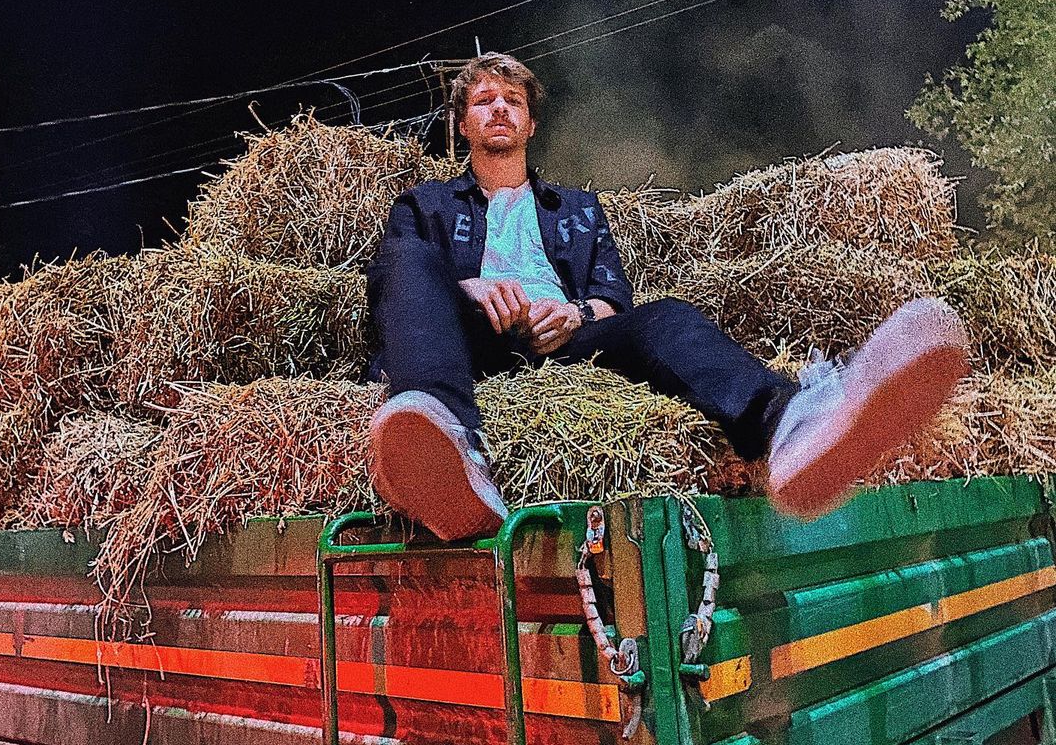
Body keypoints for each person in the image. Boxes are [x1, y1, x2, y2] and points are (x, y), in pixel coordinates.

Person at [365, 52, 968, 540]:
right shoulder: (426, 204)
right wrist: (469, 288)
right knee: (403, 255)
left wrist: (575, 312)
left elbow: (612, 299)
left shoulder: (577, 210)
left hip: (563, 342)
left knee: (666, 317)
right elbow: (396, 292)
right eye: (483, 100)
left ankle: (789, 423)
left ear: (530, 123)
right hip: (468, 340)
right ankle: (449, 445)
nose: (499, 108)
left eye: (513, 101)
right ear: (462, 124)